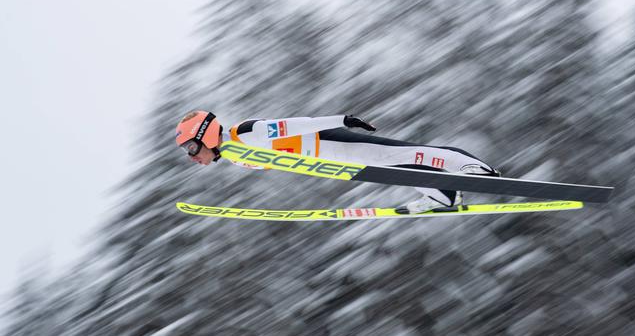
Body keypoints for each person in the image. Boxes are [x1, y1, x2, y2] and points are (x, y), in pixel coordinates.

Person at [175, 110, 500, 213]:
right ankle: (443, 195)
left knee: (398, 156)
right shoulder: (236, 157)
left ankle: (469, 169)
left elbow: (293, 125)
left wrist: (341, 120)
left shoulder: (243, 134)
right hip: (324, 157)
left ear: (205, 133)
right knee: (391, 168)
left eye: (192, 147)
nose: (193, 157)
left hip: (328, 142)